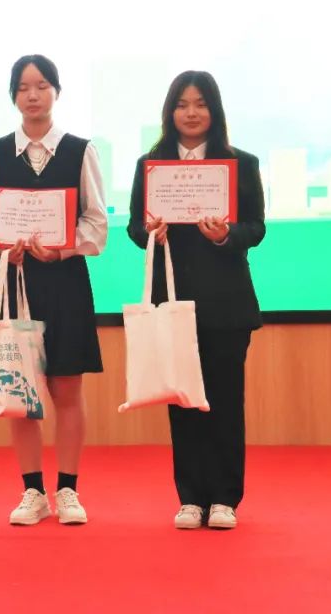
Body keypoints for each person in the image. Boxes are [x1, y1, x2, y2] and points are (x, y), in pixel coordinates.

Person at [0, 54, 107, 526]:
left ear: (56, 92)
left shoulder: (80, 150)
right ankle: (32, 492)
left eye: (42, 85)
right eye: (24, 87)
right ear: (13, 96)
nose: (33, 95)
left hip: (65, 280)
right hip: (12, 281)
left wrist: (62, 249)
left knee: (67, 390)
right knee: (18, 389)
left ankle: (68, 490)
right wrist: (3, 245)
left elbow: (96, 224)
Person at [127, 70, 265, 530]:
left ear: (214, 110)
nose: (191, 113)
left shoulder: (240, 163)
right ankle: (190, 497)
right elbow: (134, 227)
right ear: (170, 112)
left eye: (200, 104)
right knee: (182, 400)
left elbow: (256, 228)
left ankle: (225, 497)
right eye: (182, 104)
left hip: (226, 304)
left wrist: (227, 235)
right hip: (172, 301)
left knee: (225, 401)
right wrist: (151, 232)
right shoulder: (151, 164)